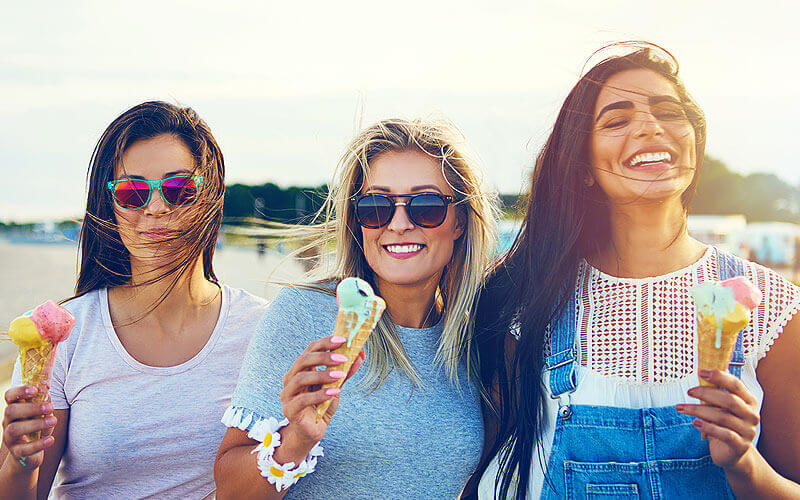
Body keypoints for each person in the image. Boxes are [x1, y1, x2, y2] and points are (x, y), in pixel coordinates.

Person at [469, 44, 800, 499]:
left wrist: (745, 464)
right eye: (617, 119)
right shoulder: (527, 299)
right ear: (583, 166)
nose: (649, 126)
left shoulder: (774, 307)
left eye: (668, 112)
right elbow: (486, 467)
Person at [214, 118, 499, 498]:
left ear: (460, 221)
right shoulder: (305, 314)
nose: (398, 224)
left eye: (427, 205)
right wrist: (295, 440)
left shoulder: (474, 340)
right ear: (357, 220)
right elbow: (230, 491)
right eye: (376, 206)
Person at [0, 101, 266, 499]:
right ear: (109, 206)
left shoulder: (262, 328)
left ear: (209, 197)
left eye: (179, 189)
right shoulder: (59, 338)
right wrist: (20, 461)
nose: (156, 208)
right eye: (132, 192)